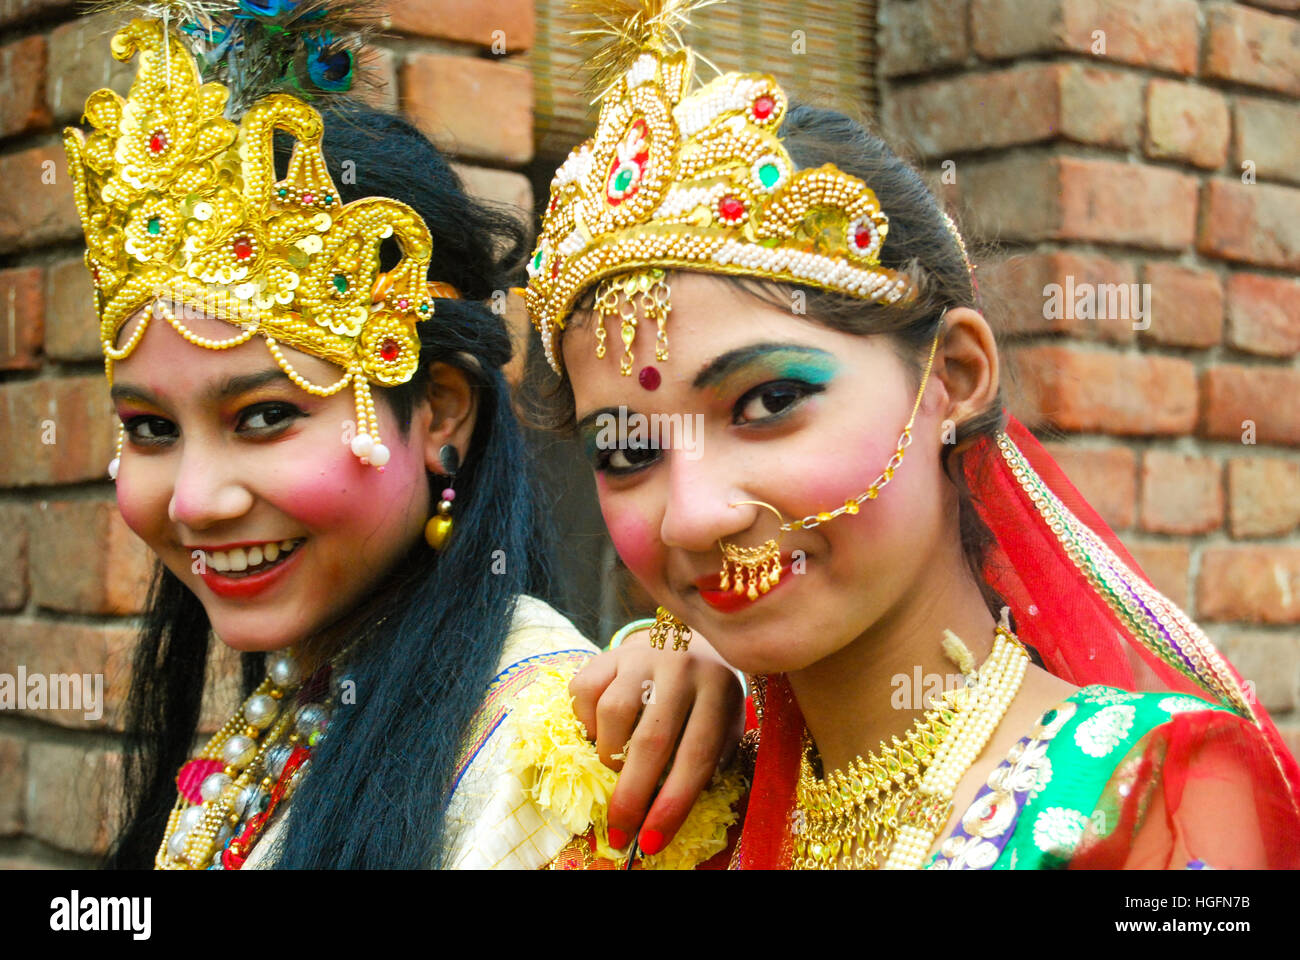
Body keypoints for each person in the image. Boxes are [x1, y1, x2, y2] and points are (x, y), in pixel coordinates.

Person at [521, 0, 1300, 868]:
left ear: (953, 379)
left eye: (769, 402)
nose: (696, 517)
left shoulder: (1159, 800)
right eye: (627, 451)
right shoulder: (662, 797)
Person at [66, 8, 742, 870]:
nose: (197, 500)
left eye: (267, 416)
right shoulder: (294, 702)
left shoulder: (555, 762)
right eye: (153, 428)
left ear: (443, 413)